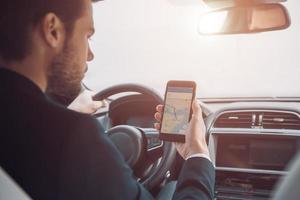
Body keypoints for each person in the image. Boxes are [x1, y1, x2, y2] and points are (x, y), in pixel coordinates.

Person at [0, 0, 215, 199]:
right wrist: (197, 154)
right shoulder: (73, 137)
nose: (90, 54)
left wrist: (68, 114)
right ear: (52, 30)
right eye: (88, 36)